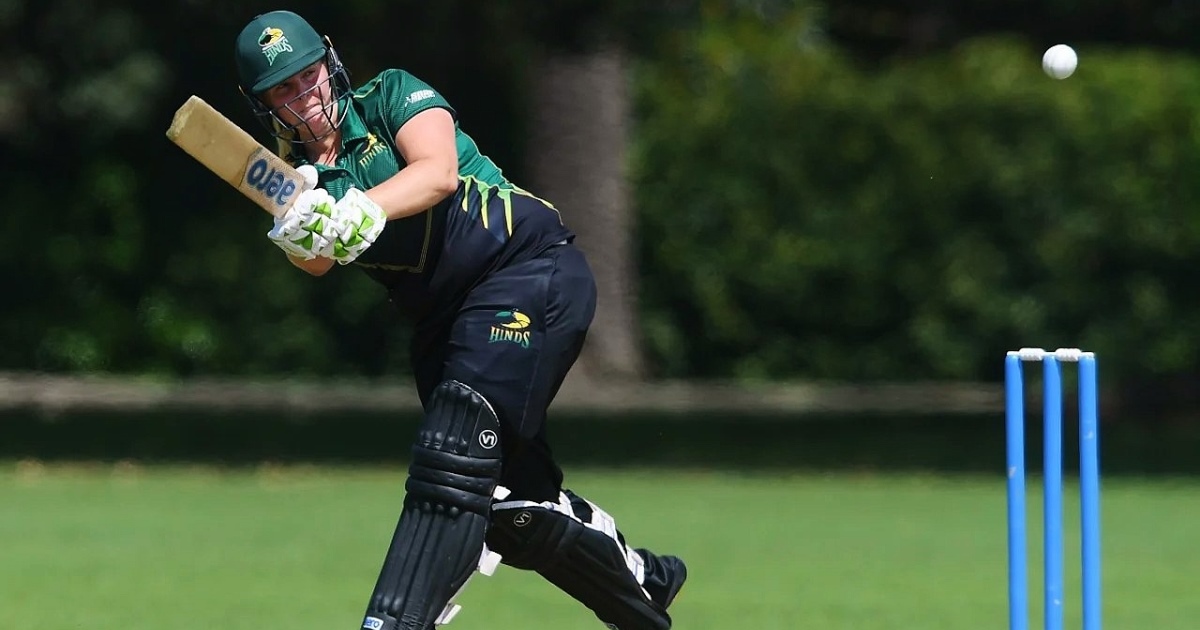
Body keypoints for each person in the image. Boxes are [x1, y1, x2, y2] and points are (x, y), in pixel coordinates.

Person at [232, 10, 687, 630]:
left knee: (454, 452)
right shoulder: (300, 179)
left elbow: (437, 173)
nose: (303, 95)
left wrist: (361, 208)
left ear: (329, 62)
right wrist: (297, 234)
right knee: (509, 508)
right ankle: (642, 588)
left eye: (306, 74)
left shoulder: (391, 94)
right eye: (281, 89)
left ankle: (392, 622)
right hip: (443, 327)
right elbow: (315, 263)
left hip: (527, 270)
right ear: (261, 103)